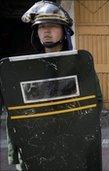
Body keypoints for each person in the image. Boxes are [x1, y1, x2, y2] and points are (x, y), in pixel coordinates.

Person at [3, 1, 103, 170]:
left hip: (73, 147)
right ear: (36, 33)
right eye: (41, 27)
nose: (46, 31)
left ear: (64, 31)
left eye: (53, 26)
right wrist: (19, 152)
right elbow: (17, 112)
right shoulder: (27, 70)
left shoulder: (80, 68)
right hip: (39, 148)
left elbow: (94, 105)